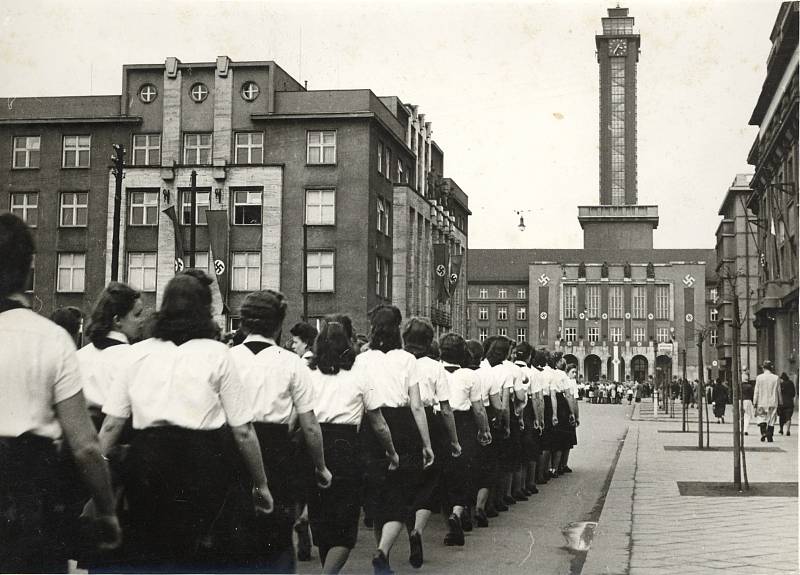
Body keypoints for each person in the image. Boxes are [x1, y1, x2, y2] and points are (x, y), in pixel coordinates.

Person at [0, 213, 120, 573]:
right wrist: (106, 508)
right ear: (31, 268)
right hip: (29, 488)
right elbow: (84, 444)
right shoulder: (51, 339)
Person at [229, 290, 332, 572]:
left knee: (236, 530)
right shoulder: (291, 363)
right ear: (278, 324)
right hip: (276, 449)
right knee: (276, 533)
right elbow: (310, 424)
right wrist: (321, 466)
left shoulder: (227, 358)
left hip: (232, 446)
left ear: (244, 323)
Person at [306, 317, 398, 574]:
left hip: (313, 442)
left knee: (321, 519)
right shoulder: (359, 373)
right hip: (346, 444)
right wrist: (391, 452)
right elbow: (378, 422)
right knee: (344, 526)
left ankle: (328, 568)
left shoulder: (308, 372)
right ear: (348, 344)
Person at [355, 305, 434, 575]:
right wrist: (426, 443)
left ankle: (383, 552)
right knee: (400, 496)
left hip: (371, 424)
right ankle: (382, 551)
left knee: (377, 493)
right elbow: (416, 406)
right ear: (398, 328)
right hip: (402, 425)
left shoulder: (362, 360)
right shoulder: (407, 360)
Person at [401, 318, 458, 567]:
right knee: (430, 481)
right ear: (429, 341)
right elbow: (445, 408)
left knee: (405, 481)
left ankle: (408, 528)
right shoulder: (436, 367)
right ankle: (419, 530)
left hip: (401, 421)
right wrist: (454, 440)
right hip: (430, 422)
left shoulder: (398, 362)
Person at [440, 333, 491, 547]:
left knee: (443, 474)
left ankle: (449, 523)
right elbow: (478, 409)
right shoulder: (470, 376)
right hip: (463, 423)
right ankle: (459, 512)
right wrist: (485, 431)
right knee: (465, 470)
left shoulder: (433, 371)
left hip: (437, 423)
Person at [76, 282, 144, 429]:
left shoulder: (79, 356)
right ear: (117, 320)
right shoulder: (134, 357)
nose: (141, 321)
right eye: (137, 315)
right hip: (117, 439)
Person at [288, 320, 319, 561]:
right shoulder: (321, 363)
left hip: (300, 428)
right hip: (320, 427)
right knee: (314, 480)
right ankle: (307, 517)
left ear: (305, 342)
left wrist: (289, 426)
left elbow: (298, 403)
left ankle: (303, 531)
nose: (292, 345)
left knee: (298, 484)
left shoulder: (301, 365)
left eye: (296, 341)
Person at [753, 360, 782, 442]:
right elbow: (778, 391)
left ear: (763, 368)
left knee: (762, 418)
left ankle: (763, 433)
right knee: (771, 419)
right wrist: (780, 402)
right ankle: (769, 435)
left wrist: (755, 402)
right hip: (773, 402)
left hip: (761, 402)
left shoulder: (759, 378)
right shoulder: (776, 378)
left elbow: (756, 391)